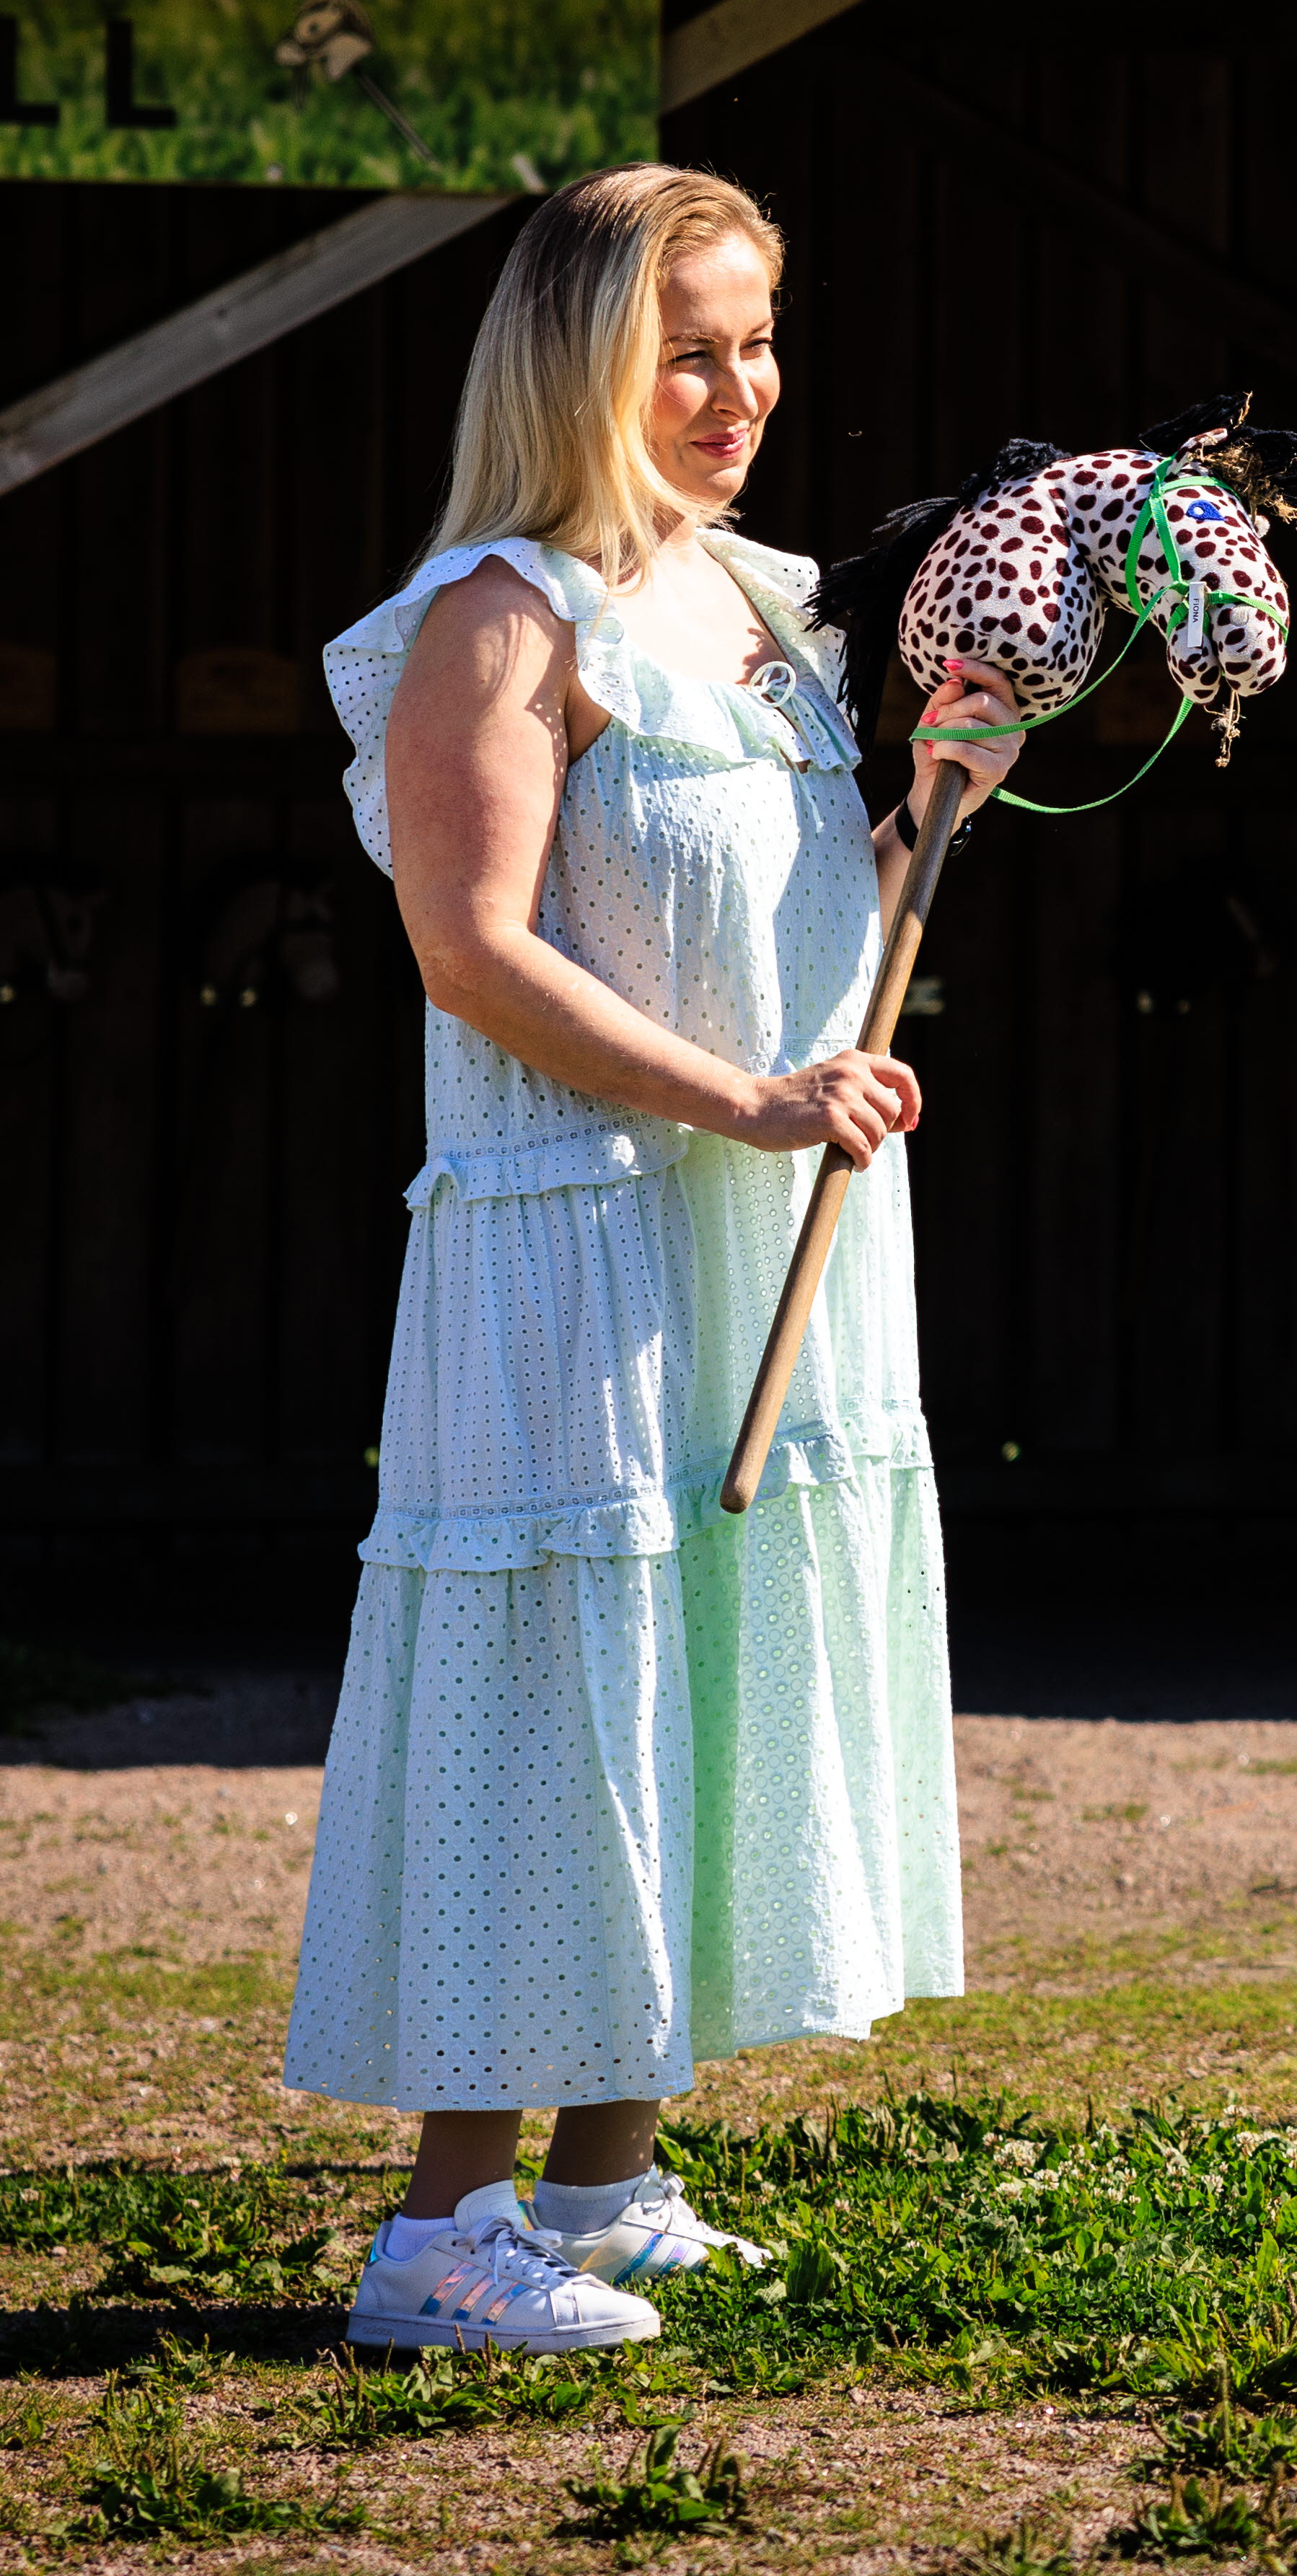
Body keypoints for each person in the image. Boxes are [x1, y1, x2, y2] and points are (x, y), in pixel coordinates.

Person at [283, 162, 1021, 2353]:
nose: (738, 387)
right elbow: (471, 952)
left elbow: (812, 922)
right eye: (685, 346)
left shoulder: (767, 607)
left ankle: (598, 2188)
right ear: (579, 365)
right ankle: (435, 2236)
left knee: (689, 1663)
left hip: (744, 1231)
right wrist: (747, 1103)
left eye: (759, 337)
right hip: (574, 1246)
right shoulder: (494, 617)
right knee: (550, 1693)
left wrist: (944, 800)